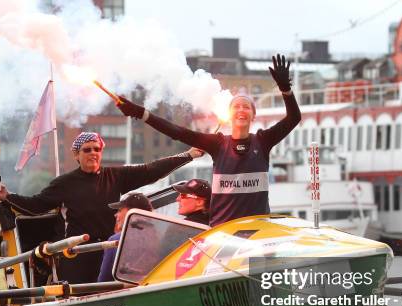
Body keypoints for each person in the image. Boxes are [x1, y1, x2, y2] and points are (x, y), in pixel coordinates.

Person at [0, 131, 203, 284]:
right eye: (87, 150)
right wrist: (7, 196)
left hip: (109, 251)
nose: (93, 153)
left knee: (110, 290)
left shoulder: (115, 176)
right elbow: (35, 206)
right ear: (76, 155)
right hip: (78, 254)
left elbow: (151, 171)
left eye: (97, 149)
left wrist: (188, 155)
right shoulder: (64, 183)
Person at [115, 54, 301, 226]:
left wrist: (286, 90)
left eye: (246, 107)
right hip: (222, 234)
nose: (241, 110)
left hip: (257, 232)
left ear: (253, 116)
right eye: (236, 106)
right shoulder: (218, 144)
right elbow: (177, 132)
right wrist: (141, 113)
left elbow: (294, 118)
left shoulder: (263, 141)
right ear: (230, 115)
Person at [97, 192, 152, 282]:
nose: (116, 215)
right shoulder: (161, 237)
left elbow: (103, 282)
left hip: (126, 294)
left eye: (119, 210)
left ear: (132, 212)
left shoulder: (115, 240)